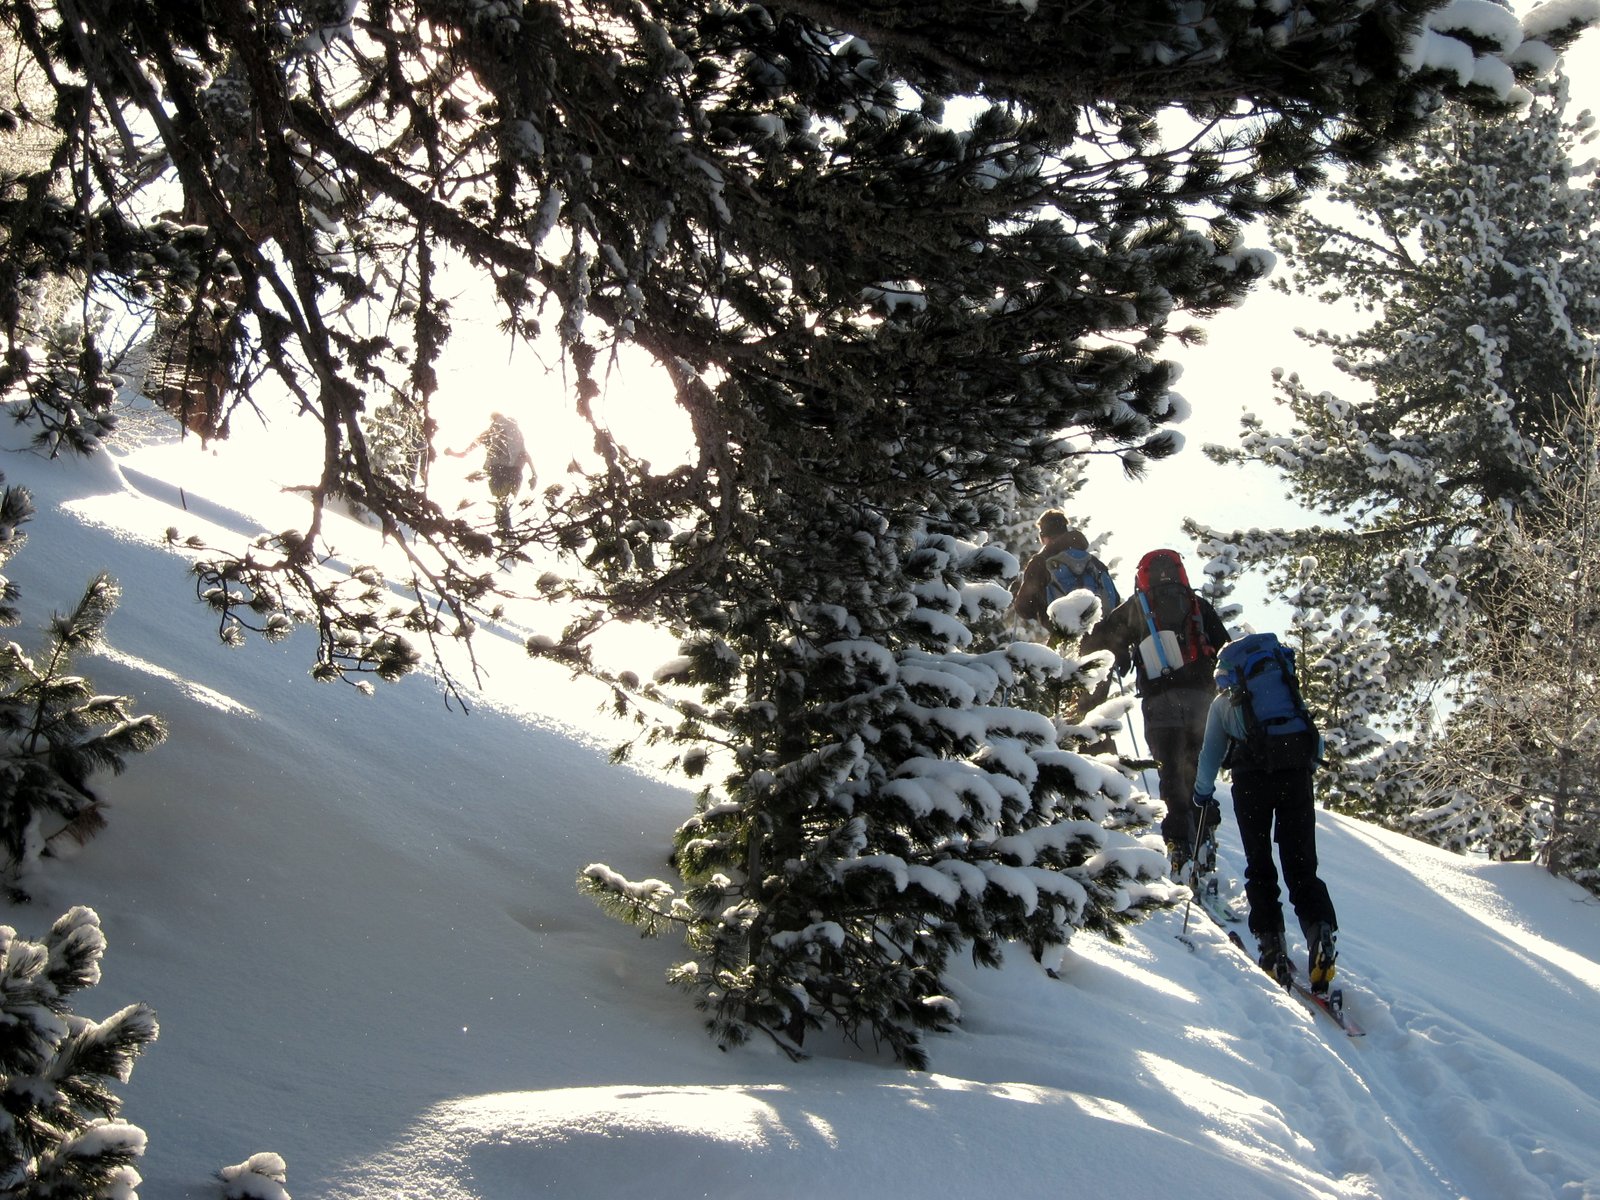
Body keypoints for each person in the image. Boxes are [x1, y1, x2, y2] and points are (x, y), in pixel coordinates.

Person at [1192, 637, 1338, 993]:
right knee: (1302, 867)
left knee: (1259, 864)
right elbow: (1315, 741)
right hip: (1295, 773)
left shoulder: (1224, 703)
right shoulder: (1285, 690)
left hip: (1251, 780)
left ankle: (1272, 948)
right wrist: (1302, 771)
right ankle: (1320, 931)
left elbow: (1210, 754)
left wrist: (1201, 795)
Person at [1080, 549, 1228, 874]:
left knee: (1171, 771)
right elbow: (1225, 649)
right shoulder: (1196, 605)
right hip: (1200, 700)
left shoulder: (1139, 605)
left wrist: (1118, 657)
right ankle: (1205, 835)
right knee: (1197, 769)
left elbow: (1100, 639)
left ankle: (1178, 847)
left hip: (1160, 701)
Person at [446, 412, 535, 526]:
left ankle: (504, 530)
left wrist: (451, 453)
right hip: (514, 473)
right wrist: (534, 475)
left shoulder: (489, 433)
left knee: (501, 505)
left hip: (495, 471)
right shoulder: (516, 437)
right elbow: (526, 455)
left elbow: (463, 454)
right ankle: (505, 530)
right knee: (504, 506)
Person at [1011, 510, 1094, 626]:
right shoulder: (1093, 562)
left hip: (1064, 631)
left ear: (1043, 536)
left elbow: (1025, 608)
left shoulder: (1041, 562)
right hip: (1097, 628)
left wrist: (1016, 592)